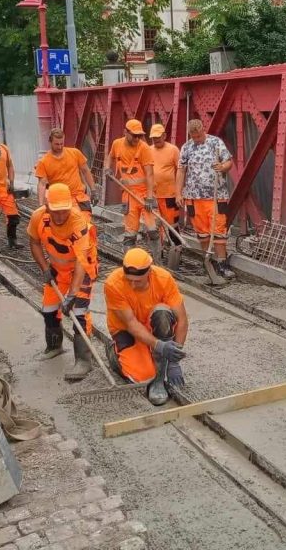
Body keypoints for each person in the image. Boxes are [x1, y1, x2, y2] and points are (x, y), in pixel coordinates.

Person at [27, 183, 100, 380]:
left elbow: (80, 262)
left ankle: (84, 361)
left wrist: (72, 295)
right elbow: (34, 242)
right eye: (56, 211)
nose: (60, 216)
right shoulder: (38, 218)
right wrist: (45, 269)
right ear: (48, 207)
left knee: (79, 313)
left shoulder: (78, 223)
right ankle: (54, 346)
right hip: (56, 271)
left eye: (64, 211)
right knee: (49, 309)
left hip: (82, 270)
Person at [104, 247, 189, 406]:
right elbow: (131, 324)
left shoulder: (163, 279)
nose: (133, 285)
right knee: (143, 376)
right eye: (129, 280)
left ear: (149, 272)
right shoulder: (113, 284)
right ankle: (113, 353)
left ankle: (159, 376)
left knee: (163, 313)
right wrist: (159, 345)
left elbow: (182, 319)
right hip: (127, 330)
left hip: (151, 323)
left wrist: (174, 359)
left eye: (138, 281)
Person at [176, 118, 234, 279]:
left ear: (203, 130)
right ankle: (208, 260)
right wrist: (178, 193)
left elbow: (228, 161)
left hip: (216, 195)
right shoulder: (186, 147)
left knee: (219, 229)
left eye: (198, 136)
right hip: (194, 197)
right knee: (202, 231)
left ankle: (222, 263)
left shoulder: (216, 143)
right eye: (193, 137)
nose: (196, 139)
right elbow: (181, 170)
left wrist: (222, 167)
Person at [106, 119, 157, 249]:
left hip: (145, 195)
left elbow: (150, 174)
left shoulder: (144, 148)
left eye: (139, 135)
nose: (137, 138)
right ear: (125, 132)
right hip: (128, 195)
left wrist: (150, 198)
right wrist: (108, 168)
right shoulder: (117, 144)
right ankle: (130, 261)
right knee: (130, 233)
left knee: (153, 231)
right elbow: (110, 156)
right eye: (134, 135)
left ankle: (157, 261)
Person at [35, 127, 97, 220]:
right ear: (50, 141)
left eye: (61, 144)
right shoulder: (44, 162)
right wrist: (41, 205)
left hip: (79, 198)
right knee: (66, 228)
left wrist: (93, 190)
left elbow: (85, 171)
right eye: (56, 144)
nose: (60, 147)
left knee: (85, 225)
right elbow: (42, 184)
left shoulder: (75, 153)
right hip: (60, 201)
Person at [148, 123, 181, 247]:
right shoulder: (148, 150)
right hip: (153, 196)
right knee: (154, 226)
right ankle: (159, 252)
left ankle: (177, 249)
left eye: (158, 137)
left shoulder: (173, 150)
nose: (156, 139)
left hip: (169, 195)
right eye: (153, 137)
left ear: (164, 136)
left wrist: (179, 193)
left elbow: (181, 172)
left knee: (172, 225)